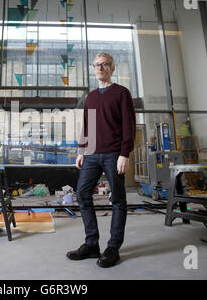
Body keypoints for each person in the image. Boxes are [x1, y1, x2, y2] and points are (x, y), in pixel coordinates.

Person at [66, 52, 136, 268]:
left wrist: (124, 153)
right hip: (92, 154)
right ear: (93, 68)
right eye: (97, 65)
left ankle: (113, 247)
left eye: (105, 65)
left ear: (112, 68)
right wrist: (81, 150)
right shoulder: (91, 97)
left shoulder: (122, 93)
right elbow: (88, 126)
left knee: (117, 199)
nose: (100, 68)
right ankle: (92, 244)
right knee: (82, 193)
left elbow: (128, 125)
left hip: (114, 154)